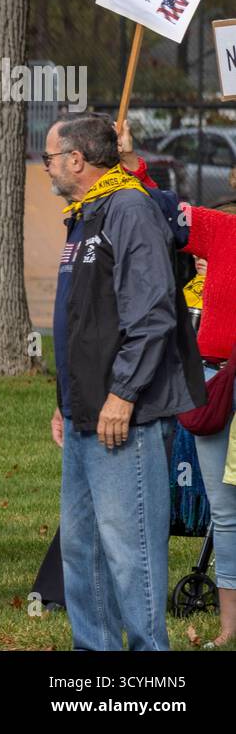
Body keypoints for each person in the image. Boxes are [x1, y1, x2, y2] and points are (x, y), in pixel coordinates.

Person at [43, 113, 202, 651]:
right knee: (82, 552)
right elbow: (82, 320)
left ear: (76, 159)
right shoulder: (84, 215)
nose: (46, 166)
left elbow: (153, 313)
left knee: (130, 552)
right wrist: (66, 401)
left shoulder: (129, 209)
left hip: (126, 416)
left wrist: (122, 394)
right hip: (86, 412)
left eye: (49, 156)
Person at [122, 136, 236, 647]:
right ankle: (231, 627)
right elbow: (156, 210)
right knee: (226, 510)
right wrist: (131, 165)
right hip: (215, 386)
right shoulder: (223, 230)